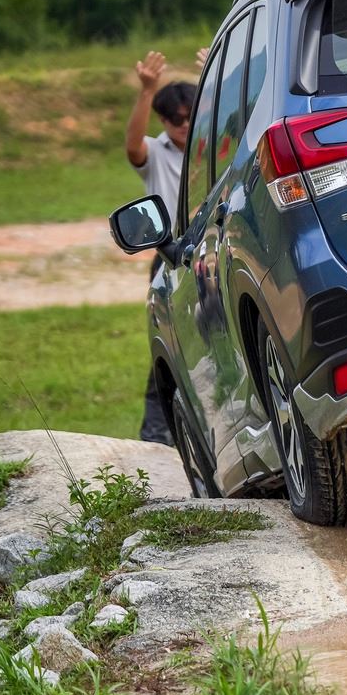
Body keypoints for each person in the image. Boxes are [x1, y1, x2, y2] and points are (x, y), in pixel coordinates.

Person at [124, 50, 196, 444]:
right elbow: (133, 145)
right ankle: (156, 434)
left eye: (191, 117)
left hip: (209, 247)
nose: (184, 126)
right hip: (168, 254)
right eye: (175, 120)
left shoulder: (213, 145)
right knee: (167, 343)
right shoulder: (157, 153)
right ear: (164, 121)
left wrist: (219, 82)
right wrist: (147, 91)